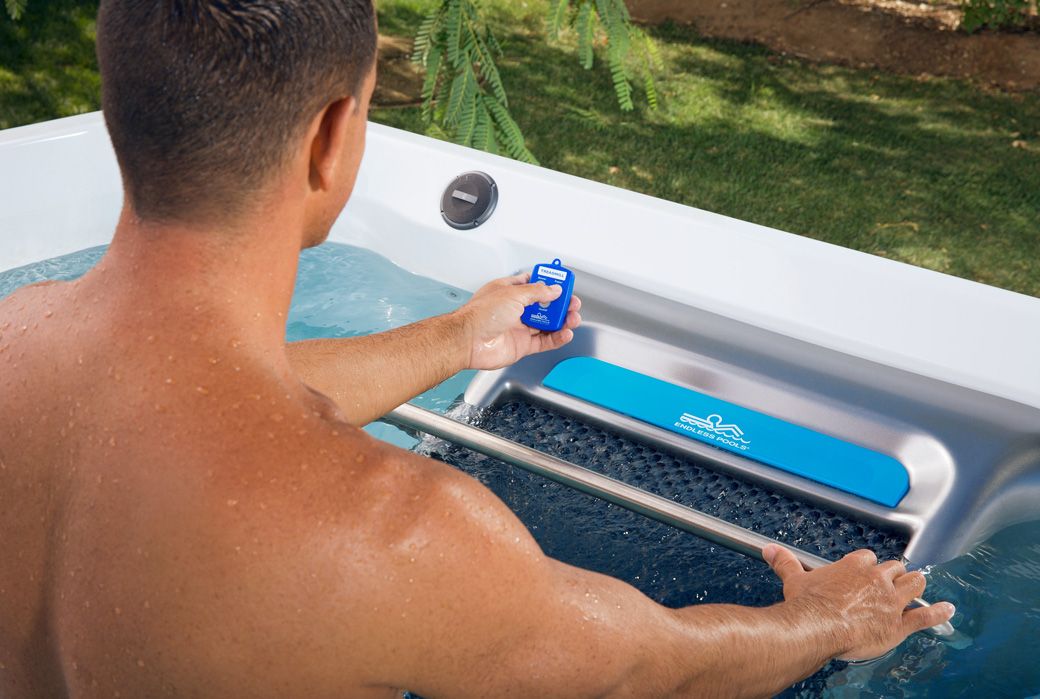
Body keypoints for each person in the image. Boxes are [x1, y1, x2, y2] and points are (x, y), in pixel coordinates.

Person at [0, 1, 954, 697]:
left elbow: (199, 398)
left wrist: (460, 335)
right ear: (333, 138)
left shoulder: (18, 336)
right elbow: (646, 668)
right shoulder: (399, 536)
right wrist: (826, 618)